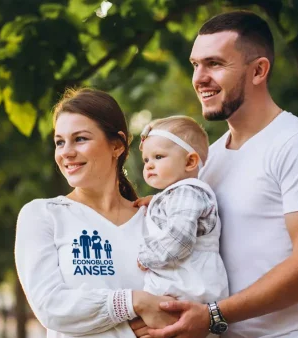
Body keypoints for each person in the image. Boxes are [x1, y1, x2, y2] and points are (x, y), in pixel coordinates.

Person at [131, 11, 298, 338]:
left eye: (215, 64)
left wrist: (213, 315)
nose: (199, 78)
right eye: (195, 65)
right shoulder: (207, 161)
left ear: (258, 70)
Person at [14, 88, 179, 338]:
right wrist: (134, 303)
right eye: (60, 141)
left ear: (117, 145)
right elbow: (52, 307)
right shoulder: (42, 215)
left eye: (80, 139)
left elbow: (179, 305)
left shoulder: (155, 220)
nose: (66, 152)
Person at [136, 116, 228, 309]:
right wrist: (156, 203)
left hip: (188, 288)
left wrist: (145, 257)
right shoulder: (181, 195)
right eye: (146, 159)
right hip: (183, 287)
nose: (149, 165)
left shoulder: (187, 193)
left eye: (158, 157)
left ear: (190, 162)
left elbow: (179, 240)